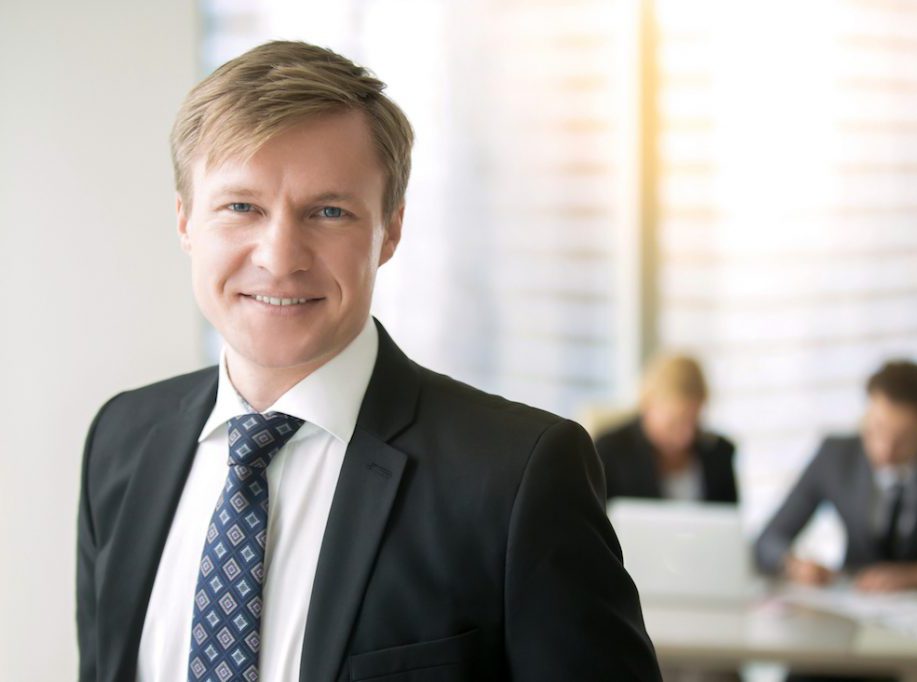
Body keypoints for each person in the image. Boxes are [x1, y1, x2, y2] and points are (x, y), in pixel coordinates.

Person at [75, 41, 661, 682]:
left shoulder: (517, 476)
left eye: (329, 212)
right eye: (241, 206)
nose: (279, 256)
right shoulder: (122, 440)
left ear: (391, 230)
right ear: (186, 220)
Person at [755, 359, 917, 594]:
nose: (885, 450)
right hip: (856, 597)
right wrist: (795, 565)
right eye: (878, 429)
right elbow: (767, 541)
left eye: (904, 438)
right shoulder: (835, 457)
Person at [595, 354, 738, 504]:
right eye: (674, 424)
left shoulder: (719, 453)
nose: (686, 436)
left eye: (693, 422)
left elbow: (729, 521)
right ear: (648, 406)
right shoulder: (611, 452)